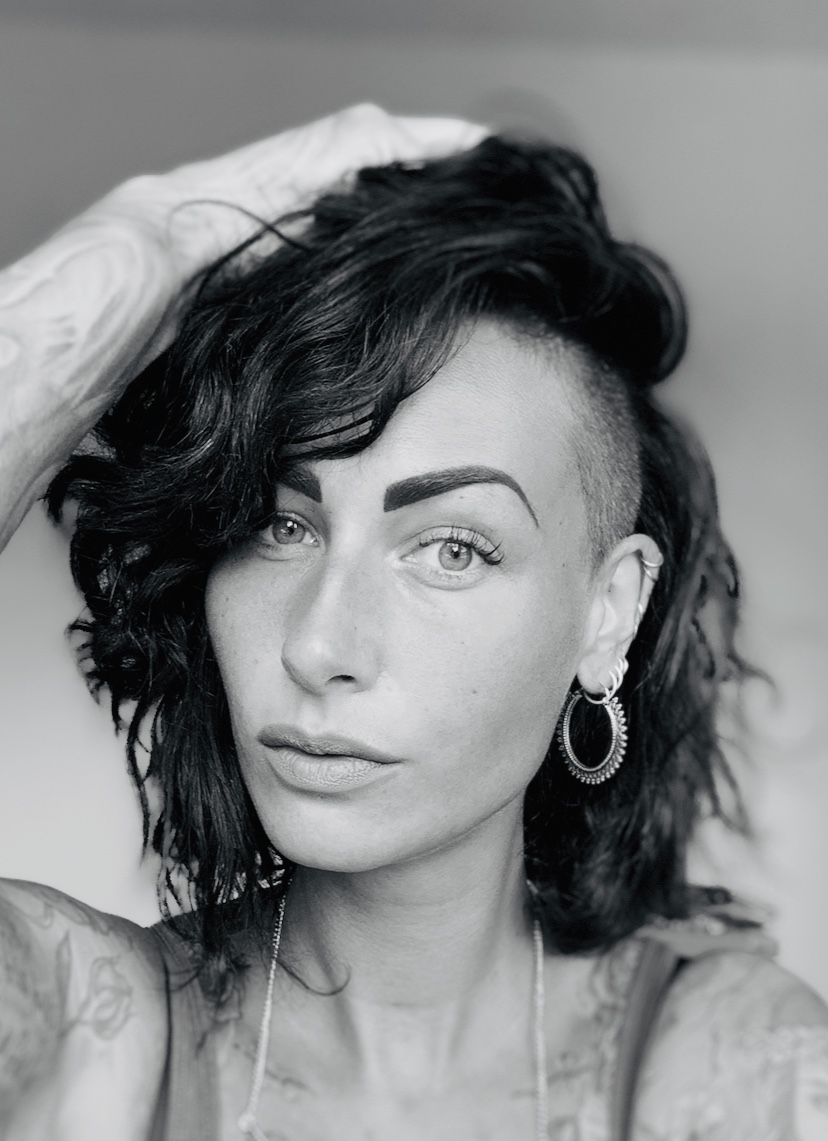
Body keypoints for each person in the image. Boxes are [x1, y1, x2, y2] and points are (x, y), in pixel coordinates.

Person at [0, 104, 826, 1141]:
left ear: (607, 613)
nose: (319, 646)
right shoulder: (89, 1030)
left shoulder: (740, 1073)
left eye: (452, 549)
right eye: (281, 525)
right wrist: (155, 238)